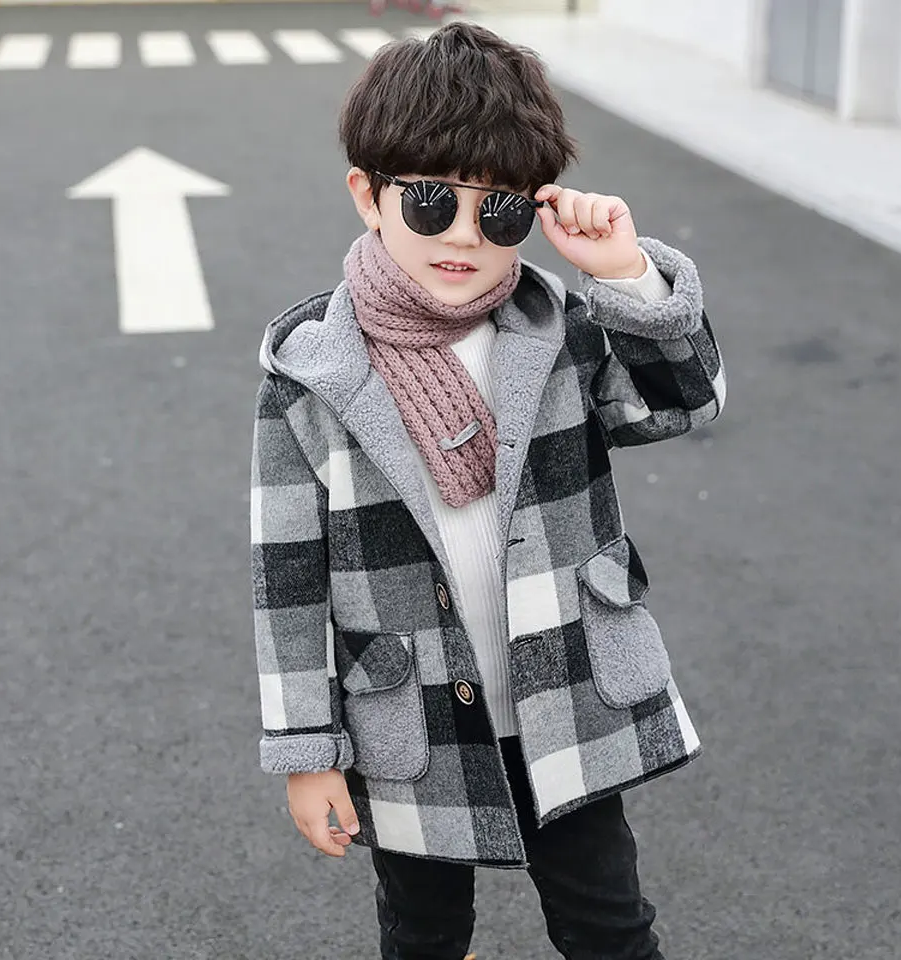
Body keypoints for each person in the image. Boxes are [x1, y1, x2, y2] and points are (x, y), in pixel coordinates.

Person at [250, 21, 725, 960]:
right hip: (413, 716)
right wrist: (307, 753)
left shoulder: (561, 330)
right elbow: (287, 583)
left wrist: (626, 276)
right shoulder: (310, 376)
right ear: (368, 195)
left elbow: (683, 404)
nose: (465, 234)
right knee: (423, 933)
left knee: (609, 926)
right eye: (432, 201)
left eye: (500, 212)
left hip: (570, 693)